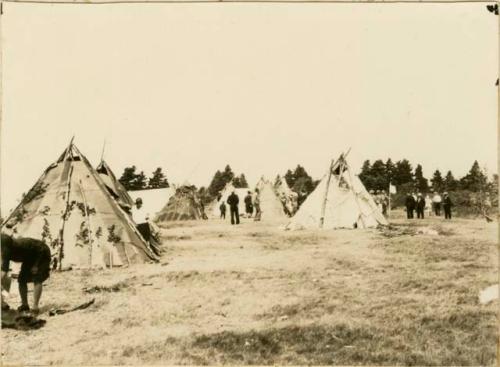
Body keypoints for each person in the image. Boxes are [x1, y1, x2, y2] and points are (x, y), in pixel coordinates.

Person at [1, 233, 51, 314]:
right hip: (29, 257)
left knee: (37, 278)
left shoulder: (12, 247)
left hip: (41, 253)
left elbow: (4, 270)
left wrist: (36, 265)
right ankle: (25, 305)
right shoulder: (5, 249)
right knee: (21, 280)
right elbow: (3, 270)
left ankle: (35, 307)